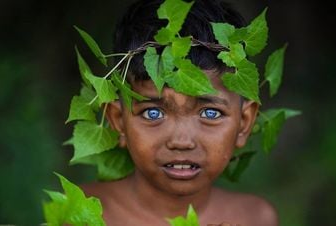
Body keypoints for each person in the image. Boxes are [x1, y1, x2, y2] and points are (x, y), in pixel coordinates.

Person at [82, 0, 279, 225]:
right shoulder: (81, 216)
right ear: (118, 121)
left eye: (211, 113)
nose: (181, 141)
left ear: (244, 122)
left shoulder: (255, 218)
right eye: (153, 113)